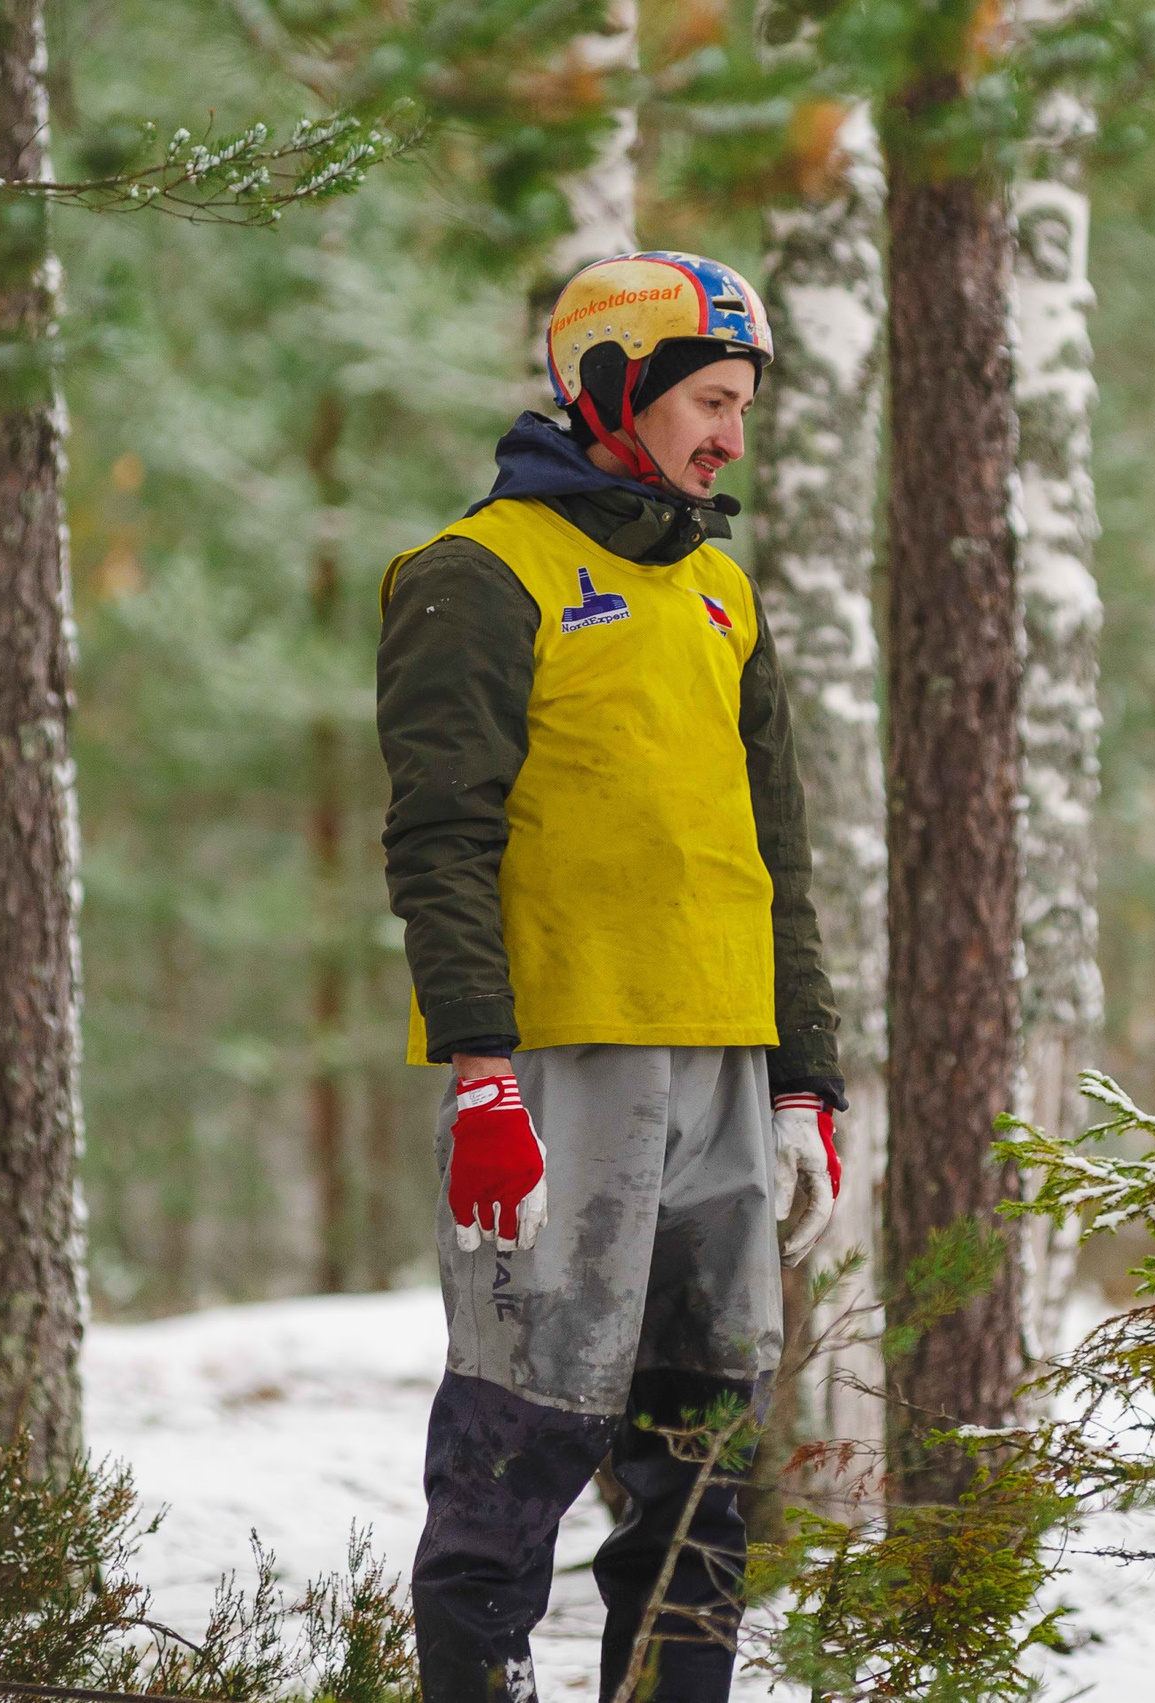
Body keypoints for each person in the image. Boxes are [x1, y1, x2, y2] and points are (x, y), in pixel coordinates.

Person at [376, 251, 845, 1703]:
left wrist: (809, 1077)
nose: (730, 435)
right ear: (612, 389)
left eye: (744, 405)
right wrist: (482, 1064)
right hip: (558, 1064)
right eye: (709, 399)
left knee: (703, 1451)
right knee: (526, 1428)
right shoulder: (475, 575)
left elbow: (777, 848)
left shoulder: (723, 590)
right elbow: (440, 840)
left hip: (722, 1063)